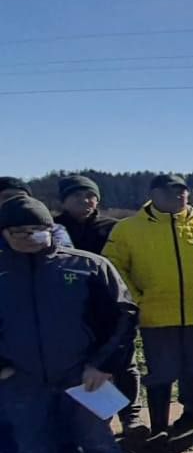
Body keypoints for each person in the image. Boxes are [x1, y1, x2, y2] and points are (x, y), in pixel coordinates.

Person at [0, 195, 139, 453]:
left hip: (84, 375)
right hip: (22, 382)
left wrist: (104, 365)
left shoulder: (88, 267)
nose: (27, 237)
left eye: (35, 230)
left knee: (99, 446)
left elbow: (123, 318)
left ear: (51, 229)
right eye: (18, 232)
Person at [103, 174, 193, 445]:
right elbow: (113, 265)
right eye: (171, 192)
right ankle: (159, 430)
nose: (179, 196)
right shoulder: (128, 229)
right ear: (154, 193)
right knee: (161, 374)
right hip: (155, 316)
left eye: (183, 192)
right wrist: (137, 300)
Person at [54, 174, 145, 435]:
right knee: (82, 366)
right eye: (77, 196)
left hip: (111, 304)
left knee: (125, 363)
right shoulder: (54, 229)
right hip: (72, 311)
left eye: (90, 195)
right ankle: (90, 424)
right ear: (64, 201)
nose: (85, 200)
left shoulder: (114, 227)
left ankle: (132, 417)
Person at [1, 177, 71, 251]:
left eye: (22, 197)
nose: (16, 201)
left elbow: (67, 252)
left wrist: (46, 242)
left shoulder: (52, 228)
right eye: (7, 197)